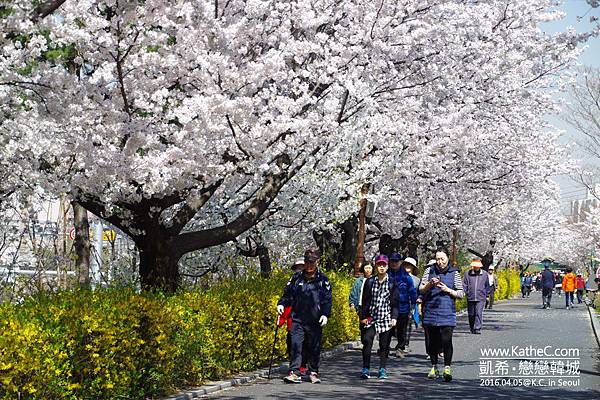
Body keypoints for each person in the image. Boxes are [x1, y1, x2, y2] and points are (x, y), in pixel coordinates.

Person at [278, 249, 332, 384]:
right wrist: (282, 304)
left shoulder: (323, 280)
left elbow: (327, 299)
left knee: (314, 347)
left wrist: (325, 314)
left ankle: (313, 371)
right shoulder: (296, 278)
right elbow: (288, 294)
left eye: (312, 262)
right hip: (297, 318)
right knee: (296, 345)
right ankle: (294, 372)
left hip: (314, 320)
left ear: (317, 262)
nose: (309, 265)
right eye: (307, 262)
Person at [420, 249, 464, 382]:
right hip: (430, 311)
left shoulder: (454, 272)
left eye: (442, 259)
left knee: (446, 341)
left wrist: (448, 290)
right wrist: (429, 284)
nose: (440, 262)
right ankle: (434, 366)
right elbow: (421, 289)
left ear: (448, 258)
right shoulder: (429, 270)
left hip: (447, 312)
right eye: (437, 259)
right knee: (432, 342)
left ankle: (447, 367)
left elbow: (461, 293)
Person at [359, 254, 399, 379]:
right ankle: (366, 368)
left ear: (387, 267)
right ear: (375, 266)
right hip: (371, 317)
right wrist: (363, 316)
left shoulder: (392, 282)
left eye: (384, 265)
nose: (381, 267)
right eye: (379, 264)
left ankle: (382, 368)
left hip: (386, 317)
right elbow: (364, 301)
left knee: (384, 345)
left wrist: (394, 317)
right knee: (367, 341)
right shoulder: (370, 282)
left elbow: (395, 302)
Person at [278, 258, 308, 374]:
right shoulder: (292, 281)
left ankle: (302, 364)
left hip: (306, 316)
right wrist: (281, 304)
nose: (299, 270)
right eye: (297, 268)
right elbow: (286, 295)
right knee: (292, 342)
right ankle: (294, 365)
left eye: (301, 267)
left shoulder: (311, 279)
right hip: (293, 316)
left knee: (305, 342)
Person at [388, 253, 416, 358]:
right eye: (392, 261)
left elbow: (412, 291)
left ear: (400, 262)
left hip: (403, 307)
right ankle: (385, 347)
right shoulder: (387, 274)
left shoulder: (406, 277)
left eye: (396, 261)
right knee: (387, 329)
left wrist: (414, 304)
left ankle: (400, 347)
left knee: (401, 329)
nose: (394, 263)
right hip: (388, 306)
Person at [463, 259, 491, 334]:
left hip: (481, 297)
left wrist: (487, 295)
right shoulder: (467, 273)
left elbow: (487, 285)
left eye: (477, 266)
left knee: (478, 313)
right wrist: (464, 292)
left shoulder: (484, 274)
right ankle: (472, 327)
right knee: (471, 314)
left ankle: (477, 328)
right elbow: (464, 284)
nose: (476, 268)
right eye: (474, 266)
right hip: (470, 296)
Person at [402, 257, 421, 351]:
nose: (407, 266)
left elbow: (419, 293)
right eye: (405, 264)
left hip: (411, 305)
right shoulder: (398, 277)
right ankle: (400, 343)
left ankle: (405, 344)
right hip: (399, 304)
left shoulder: (417, 280)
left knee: (408, 324)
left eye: (409, 265)